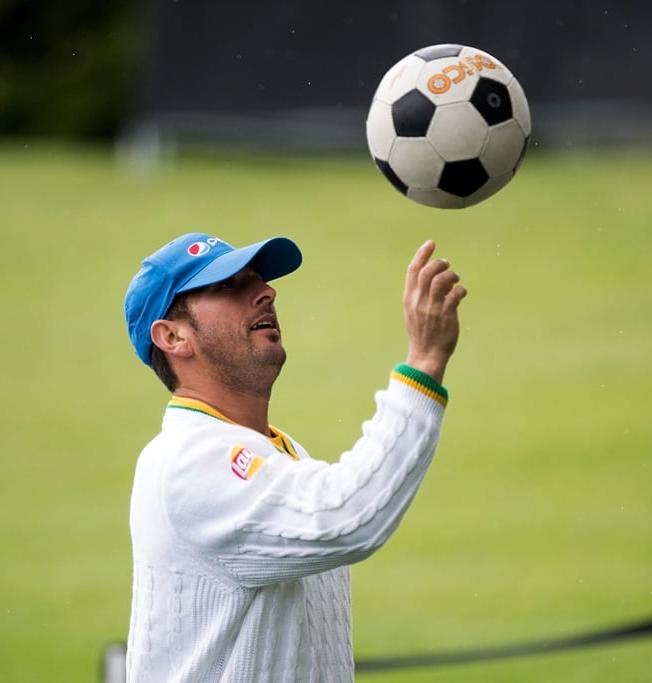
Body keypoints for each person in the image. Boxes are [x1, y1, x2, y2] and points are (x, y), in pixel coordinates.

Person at [122, 232, 466, 682]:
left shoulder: (280, 452)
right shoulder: (188, 462)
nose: (266, 292)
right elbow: (348, 516)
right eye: (228, 287)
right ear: (173, 336)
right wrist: (423, 363)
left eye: (258, 281)